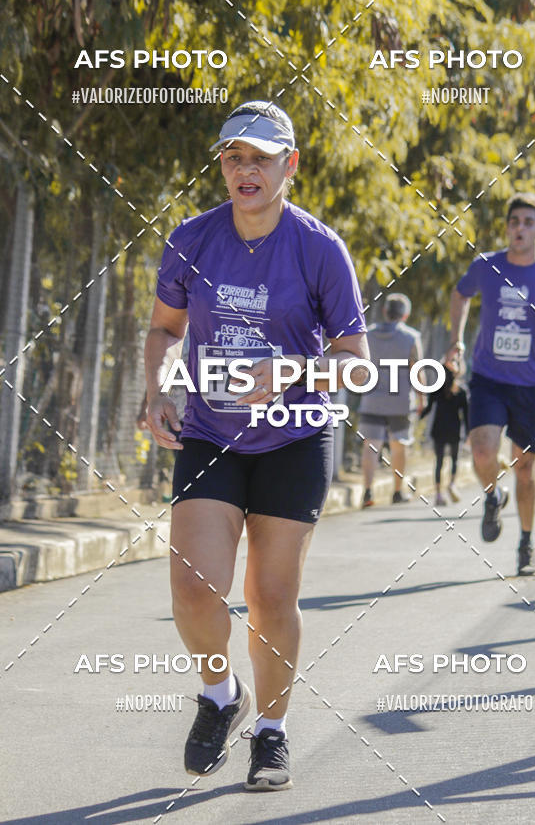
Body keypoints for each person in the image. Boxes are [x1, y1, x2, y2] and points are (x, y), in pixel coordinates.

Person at [144, 101, 368, 791]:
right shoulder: (192, 238)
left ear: (289, 165)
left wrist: (293, 369)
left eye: (261, 158)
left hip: (296, 438)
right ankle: (221, 694)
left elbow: (356, 362)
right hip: (211, 432)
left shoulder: (320, 248)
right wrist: (158, 389)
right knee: (192, 588)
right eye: (234, 157)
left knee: (271, 597)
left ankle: (270, 731)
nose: (246, 170)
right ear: (222, 165)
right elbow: (164, 329)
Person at [447, 192, 535, 576]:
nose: (518, 229)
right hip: (489, 379)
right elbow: (460, 296)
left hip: (531, 386)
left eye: (527, 223)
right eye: (513, 222)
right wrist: (457, 340)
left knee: (526, 468)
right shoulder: (485, 265)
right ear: (507, 228)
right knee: (482, 452)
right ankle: (493, 495)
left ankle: (526, 541)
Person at [358, 293, 423, 507]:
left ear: (386, 311)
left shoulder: (369, 334)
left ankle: (367, 492)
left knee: (370, 446)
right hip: (400, 401)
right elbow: (417, 371)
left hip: (371, 399)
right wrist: (422, 399)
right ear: (405, 315)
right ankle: (397, 491)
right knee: (399, 446)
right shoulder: (411, 337)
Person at [419, 358, 468, 506]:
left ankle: (438, 494)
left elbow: (427, 409)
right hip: (454, 430)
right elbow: (466, 415)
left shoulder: (436, 390)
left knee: (439, 462)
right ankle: (452, 484)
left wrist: (419, 415)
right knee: (454, 460)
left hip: (439, 430)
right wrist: (469, 433)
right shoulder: (461, 392)